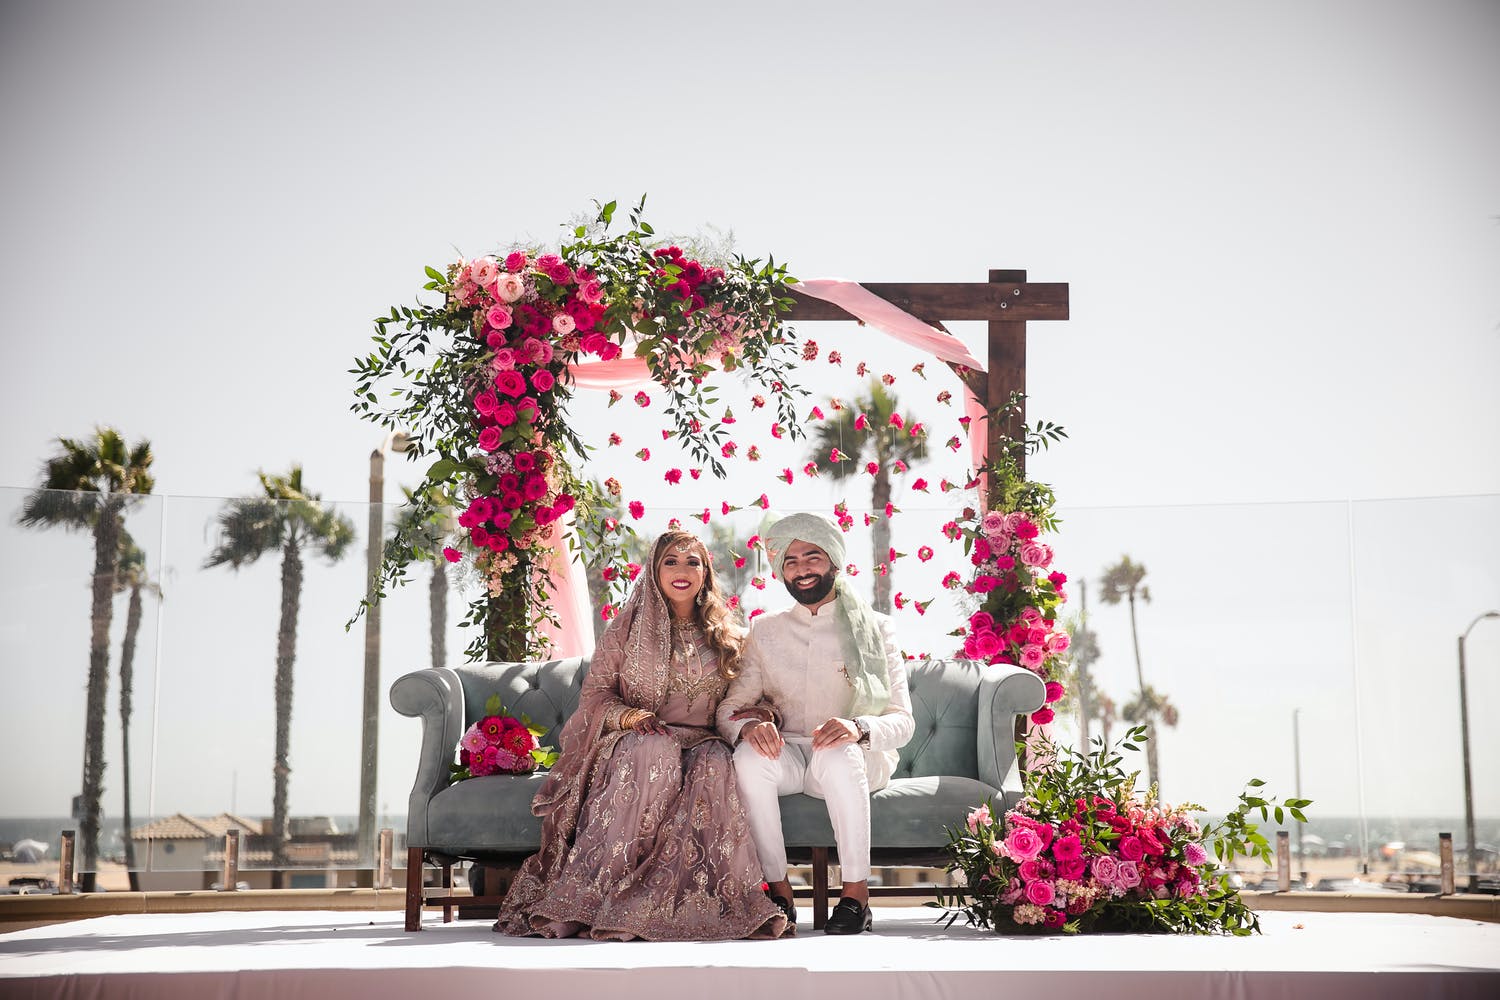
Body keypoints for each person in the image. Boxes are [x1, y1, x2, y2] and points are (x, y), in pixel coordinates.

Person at [493, 528, 789, 941]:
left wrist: (760, 714)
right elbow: (596, 696)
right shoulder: (626, 631)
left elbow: (757, 696)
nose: (682, 571)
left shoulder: (731, 637)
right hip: (640, 736)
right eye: (671, 561)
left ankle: (684, 905)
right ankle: (590, 900)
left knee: (716, 765)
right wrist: (630, 717)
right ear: (654, 571)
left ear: (705, 572)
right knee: (654, 750)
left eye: (693, 562)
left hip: (705, 741)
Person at [717, 512, 914, 935]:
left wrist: (858, 727)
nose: (802, 569)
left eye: (812, 557)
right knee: (749, 758)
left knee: (840, 752)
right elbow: (731, 709)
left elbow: (902, 721)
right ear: (780, 572)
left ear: (834, 562)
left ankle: (856, 895)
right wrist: (749, 728)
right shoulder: (765, 630)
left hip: (849, 755)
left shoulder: (877, 629)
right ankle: (777, 891)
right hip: (787, 753)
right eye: (791, 561)